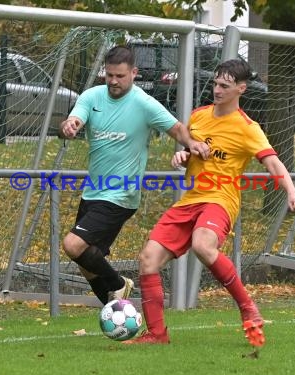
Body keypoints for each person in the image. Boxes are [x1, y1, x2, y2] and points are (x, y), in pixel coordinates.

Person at [123, 59, 295, 346]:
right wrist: (183, 156)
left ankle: (248, 307)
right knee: (148, 260)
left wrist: (292, 193)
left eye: (225, 86)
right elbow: (191, 152)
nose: (217, 90)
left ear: (241, 89)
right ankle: (157, 335)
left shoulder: (247, 127)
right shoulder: (198, 116)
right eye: (215, 84)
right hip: (190, 200)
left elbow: (273, 163)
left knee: (202, 245)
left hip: (220, 199)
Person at [59, 46, 210, 305]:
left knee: (73, 245)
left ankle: (120, 284)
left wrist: (192, 143)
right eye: (109, 75)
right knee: (87, 261)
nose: (114, 81)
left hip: (122, 194)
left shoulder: (144, 103)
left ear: (134, 73)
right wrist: (68, 126)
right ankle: (115, 312)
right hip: (93, 191)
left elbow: (176, 128)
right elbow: (74, 120)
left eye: (120, 76)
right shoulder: (91, 97)